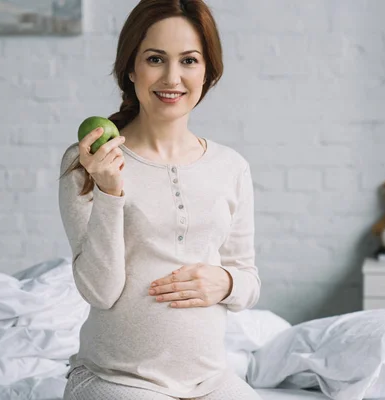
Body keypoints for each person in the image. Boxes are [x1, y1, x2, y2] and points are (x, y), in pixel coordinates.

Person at [58, 0, 261, 399]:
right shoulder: (88, 160)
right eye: (155, 59)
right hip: (115, 378)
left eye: (189, 60)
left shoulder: (231, 167)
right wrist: (108, 189)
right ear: (131, 67)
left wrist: (226, 282)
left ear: (208, 71)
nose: (172, 77)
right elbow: (100, 291)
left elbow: (248, 279)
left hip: (210, 381)